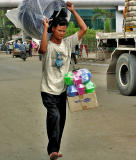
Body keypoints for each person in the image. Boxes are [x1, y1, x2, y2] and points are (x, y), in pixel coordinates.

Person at [39, 2, 87, 160]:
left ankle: (54, 150)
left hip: (62, 90)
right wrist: (45, 27)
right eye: (59, 30)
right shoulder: (49, 44)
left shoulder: (67, 43)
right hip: (48, 90)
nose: (61, 33)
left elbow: (84, 29)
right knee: (55, 117)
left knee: (60, 121)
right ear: (53, 29)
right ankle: (52, 150)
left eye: (64, 31)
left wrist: (73, 11)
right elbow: (43, 49)